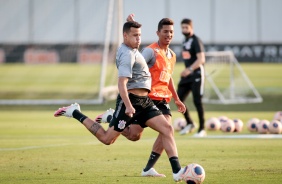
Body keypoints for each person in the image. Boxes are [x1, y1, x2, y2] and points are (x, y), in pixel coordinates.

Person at [54, 21, 185, 182]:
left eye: (139, 35)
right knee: (107, 139)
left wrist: (129, 21)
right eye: (135, 35)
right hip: (131, 101)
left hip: (145, 101)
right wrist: (129, 106)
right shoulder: (128, 55)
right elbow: (121, 83)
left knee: (166, 129)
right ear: (125, 36)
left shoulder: (133, 49)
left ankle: (177, 172)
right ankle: (75, 112)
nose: (138, 39)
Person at [119, 14, 186, 177]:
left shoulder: (172, 55)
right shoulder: (150, 51)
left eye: (171, 32)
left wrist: (176, 99)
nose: (168, 35)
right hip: (147, 99)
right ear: (158, 33)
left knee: (167, 130)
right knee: (134, 135)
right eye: (165, 31)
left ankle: (154, 169)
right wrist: (130, 25)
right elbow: (135, 62)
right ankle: (113, 119)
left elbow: (168, 76)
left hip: (163, 100)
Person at [177, 18, 206, 137]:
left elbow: (201, 59)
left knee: (197, 101)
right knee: (178, 98)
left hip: (197, 74)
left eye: (186, 27)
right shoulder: (184, 41)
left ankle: (202, 129)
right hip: (187, 76)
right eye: (182, 27)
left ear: (191, 28)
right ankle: (190, 123)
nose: (184, 30)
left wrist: (189, 70)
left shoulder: (196, 41)